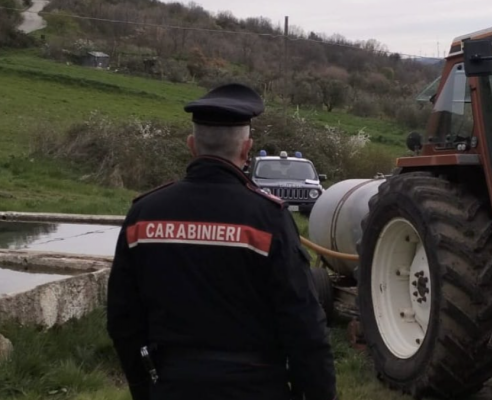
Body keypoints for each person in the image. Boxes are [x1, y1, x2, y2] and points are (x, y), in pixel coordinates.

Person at [106, 83, 337, 400]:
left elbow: (122, 319)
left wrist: (143, 387)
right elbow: (304, 326)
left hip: (173, 386)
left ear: (191, 145)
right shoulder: (268, 219)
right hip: (256, 387)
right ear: (246, 150)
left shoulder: (143, 215)